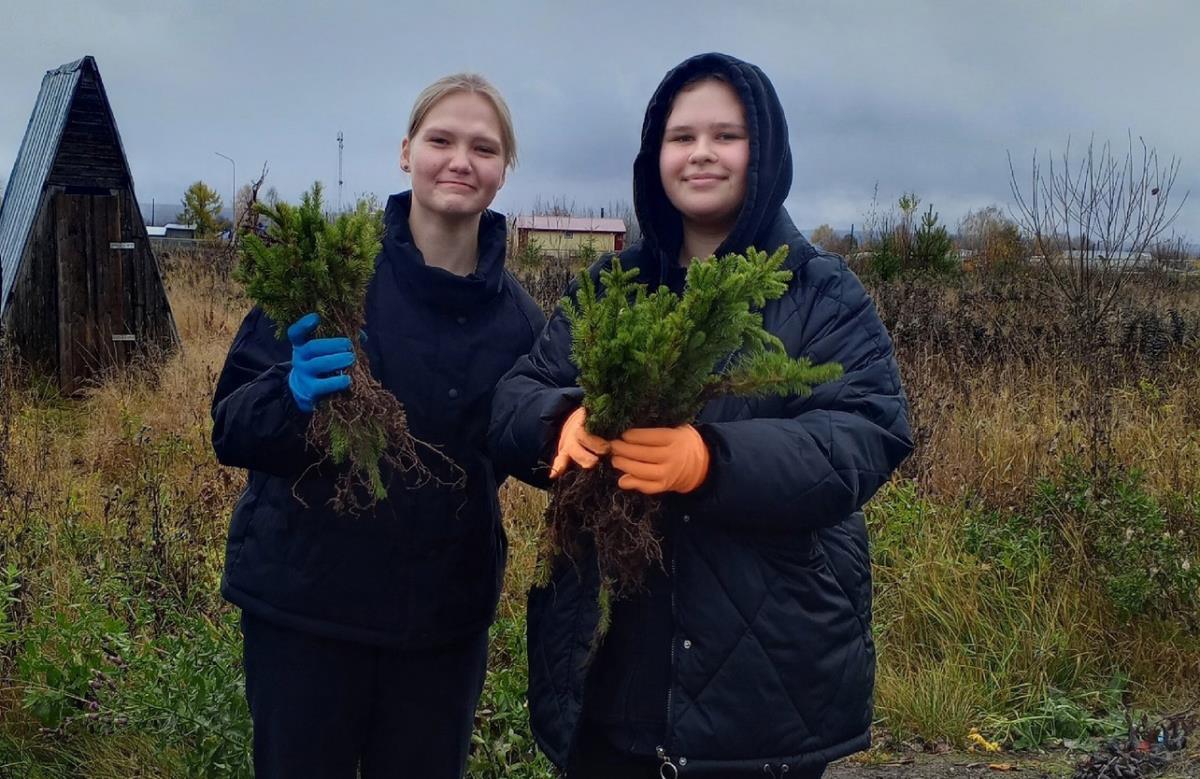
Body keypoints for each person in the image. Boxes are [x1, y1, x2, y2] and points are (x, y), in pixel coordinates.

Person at [489, 53, 913, 778]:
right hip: (611, 678)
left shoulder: (820, 292)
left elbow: (865, 434)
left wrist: (711, 459)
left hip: (763, 690)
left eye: (727, 134)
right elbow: (515, 397)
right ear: (656, 155)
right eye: (682, 137)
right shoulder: (613, 286)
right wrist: (557, 420)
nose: (702, 153)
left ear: (766, 150)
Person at [211, 73, 545, 779]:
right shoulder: (328, 275)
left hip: (438, 629)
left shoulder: (520, 322)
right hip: (305, 613)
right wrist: (290, 392)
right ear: (405, 153)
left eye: (484, 148)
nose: (461, 159)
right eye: (441, 139)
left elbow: (532, 447)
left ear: (503, 171)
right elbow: (231, 427)